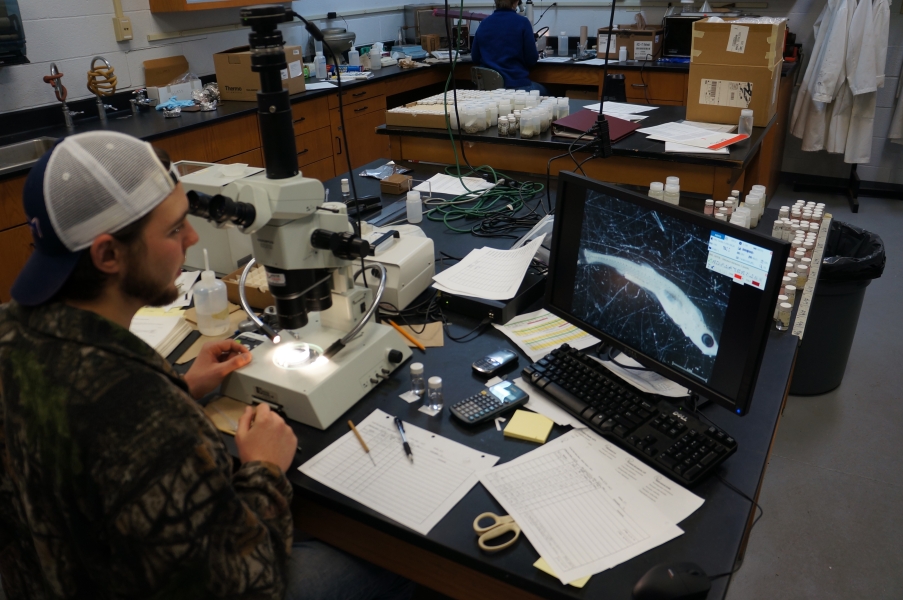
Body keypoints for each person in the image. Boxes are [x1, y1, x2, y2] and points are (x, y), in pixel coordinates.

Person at [0, 131, 413, 600]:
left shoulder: (12, 332)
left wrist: (178, 386)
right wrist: (264, 469)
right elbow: (244, 585)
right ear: (108, 254)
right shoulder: (144, 414)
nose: (194, 237)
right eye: (175, 229)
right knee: (390, 552)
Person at [471, 0, 548, 94]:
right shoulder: (523, 22)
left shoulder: (484, 23)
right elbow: (531, 59)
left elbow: (475, 57)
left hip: (489, 91)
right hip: (516, 86)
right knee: (545, 92)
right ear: (516, 2)